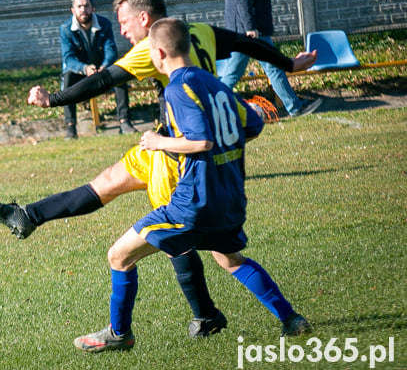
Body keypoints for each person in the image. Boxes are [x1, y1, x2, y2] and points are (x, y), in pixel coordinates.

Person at [0, 0, 317, 336]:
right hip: (167, 138)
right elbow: (243, 43)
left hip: (174, 148)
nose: (123, 31)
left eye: (125, 23)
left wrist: (54, 99)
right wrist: (288, 64)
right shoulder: (196, 32)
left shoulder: (151, 50)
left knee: (177, 237)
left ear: (145, 19)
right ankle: (30, 215)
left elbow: (103, 82)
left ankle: (201, 315)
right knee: (109, 181)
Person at [72, 18, 310, 353]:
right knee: (230, 259)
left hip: (193, 202)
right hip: (229, 198)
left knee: (119, 256)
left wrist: (159, 142)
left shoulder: (176, 88)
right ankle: (291, 319)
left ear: (158, 53)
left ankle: (119, 334)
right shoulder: (214, 84)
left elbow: (201, 142)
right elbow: (254, 123)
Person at [220, 0, 321, 117]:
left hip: (242, 31)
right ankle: (295, 107)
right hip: (249, 32)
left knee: (238, 75)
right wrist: (250, 27)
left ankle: (295, 106)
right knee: (269, 69)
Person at [60, 0, 136, 139]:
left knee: (120, 74)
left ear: (93, 8)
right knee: (67, 78)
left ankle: (124, 122)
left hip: (102, 69)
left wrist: (104, 66)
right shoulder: (65, 29)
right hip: (80, 72)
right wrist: (84, 68)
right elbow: (68, 58)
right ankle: (71, 128)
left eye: (86, 6)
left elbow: (111, 49)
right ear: (73, 10)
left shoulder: (104, 23)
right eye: (79, 6)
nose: (83, 10)